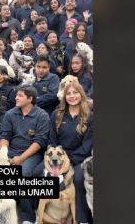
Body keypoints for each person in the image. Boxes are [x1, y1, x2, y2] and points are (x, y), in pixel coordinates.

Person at [33, 81, 93, 224]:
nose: (72, 96)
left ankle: (82, 219)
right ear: (64, 96)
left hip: (78, 157)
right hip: (56, 155)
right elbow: (52, 140)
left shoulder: (90, 116)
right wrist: (54, 159)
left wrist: (67, 162)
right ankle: (37, 214)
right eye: (68, 94)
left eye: (75, 93)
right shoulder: (57, 114)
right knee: (36, 173)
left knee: (78, 179)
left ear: (81, 95)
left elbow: (87, 146)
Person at [0, 84, 50, 224]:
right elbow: (4, 136)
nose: (15, 98)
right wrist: (3, 154)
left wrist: (21, 158)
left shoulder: (42, 115)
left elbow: (39, 142)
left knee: (22, 173)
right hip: (12, 150)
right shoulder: (10, 114)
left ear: (30, 98)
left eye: (20, 95)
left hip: (33, 153)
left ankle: (28, 217)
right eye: (16, 95)